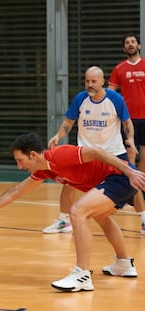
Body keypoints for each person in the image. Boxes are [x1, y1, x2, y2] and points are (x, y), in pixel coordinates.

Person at [0, 132, 144, 292]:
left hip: (120, 177)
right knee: (100, 216)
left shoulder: (59, 155)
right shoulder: (44, 171)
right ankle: (124, 263)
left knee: (77, 211)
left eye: (20, 160)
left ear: (33, 155)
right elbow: (15, 191)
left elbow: (96, 151)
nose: (19, 166)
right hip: (114, 180)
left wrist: (129, 171)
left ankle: (82, 275)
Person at [44, 66, 142, 234]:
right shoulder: (80, 99)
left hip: (113, 152)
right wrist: (58, 136)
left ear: (102, 82)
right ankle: (63, 220)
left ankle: (144, 218)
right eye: (87, 81)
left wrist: (131, 140)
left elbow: (127, 123)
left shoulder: (115, 99)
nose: (89, 84)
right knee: (69, 182)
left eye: (93, 81)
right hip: (87, 153)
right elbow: (68, 123)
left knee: (134, 180)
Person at [108, 33, 145, 234]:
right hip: (128, 121)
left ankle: (139, 192)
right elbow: (110, 93)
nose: (130, 45)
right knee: (130, 159)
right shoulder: (119, 69)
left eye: (133, 41)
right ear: (124, 48)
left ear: (138, 45)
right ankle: (133, 194)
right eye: (127, 43)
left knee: (144, 159)